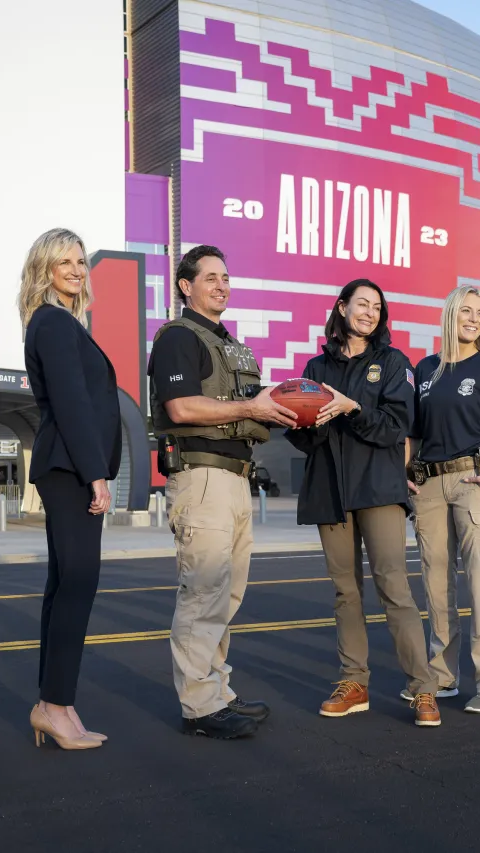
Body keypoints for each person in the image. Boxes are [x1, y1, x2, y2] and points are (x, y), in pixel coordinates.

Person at [147, 244, 297, 739]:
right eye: (210, 277)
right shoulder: (177, 337)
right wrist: (250, 409)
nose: (221, 285)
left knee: (226, 595)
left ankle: (216, 689)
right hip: (202, 476)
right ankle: (200, 706)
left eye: (226, 277)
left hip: (234, 478)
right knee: (202, 592)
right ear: (185, 286)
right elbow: (182, 408)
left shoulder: (228, 344)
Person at [285, 279, 442, 728]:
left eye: (377, 307)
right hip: (330, 490)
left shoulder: (393, 363)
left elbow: (395, 428)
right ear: (342, 308)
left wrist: (350, 407)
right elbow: (304, 436)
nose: (369, 313)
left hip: (378, 489)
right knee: (345, 592)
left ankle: (423, 689)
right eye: (362, 304)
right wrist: (302, 417)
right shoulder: (315, 366)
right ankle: (354, 682)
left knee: (394, 587)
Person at [19, 228, 120, 750]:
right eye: (66, 262)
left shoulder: (59, 322)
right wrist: (96, 473)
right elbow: (73, 404)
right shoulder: (55, 323)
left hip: (67, 468)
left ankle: (55, 703)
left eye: (81, 260)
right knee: (77, 583)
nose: (78, 269)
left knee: (67, 585)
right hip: (70, 471)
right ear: (46, 269)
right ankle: (53, 704)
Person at [406, 285, 480, 714]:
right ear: (450, 314)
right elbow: (414, 432)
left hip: (475, 484)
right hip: (430, 487)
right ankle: (442, 678)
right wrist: (407, 470)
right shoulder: (425, 370)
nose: (473, 319)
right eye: (466, 311)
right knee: (436, 586)